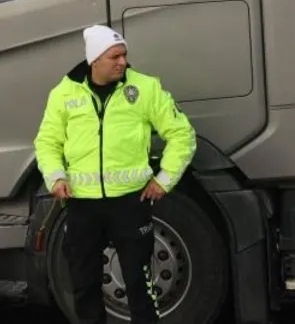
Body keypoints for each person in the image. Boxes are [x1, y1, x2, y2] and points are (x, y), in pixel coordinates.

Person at [33, 25, 196, 324]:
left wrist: (164, 180)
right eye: (114, 57)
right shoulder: (64, 93)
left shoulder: (145, 88)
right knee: (84, 284)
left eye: (124, 55)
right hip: (82, 205)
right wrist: (56, 177)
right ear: (94, 60)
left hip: (129, 204)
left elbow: (182, 134)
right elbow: (47, 141)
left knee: (139, 283)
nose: (122, 62)